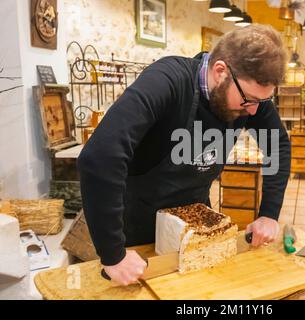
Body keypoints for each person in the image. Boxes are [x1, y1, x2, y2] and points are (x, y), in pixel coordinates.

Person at [78, 24, 291, 286]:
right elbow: (100, 156)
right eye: (248, 100)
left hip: (196, 225)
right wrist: (113, 255)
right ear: (220, 71)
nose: (254, 112)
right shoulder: (168, 80)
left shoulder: (252, 100)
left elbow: (277, 144)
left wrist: (269, 213)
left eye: (262, 102)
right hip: (135, 233)